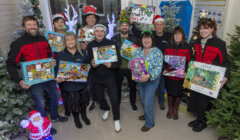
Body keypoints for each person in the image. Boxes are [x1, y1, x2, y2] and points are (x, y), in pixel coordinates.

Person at [6, 15, 68, 135]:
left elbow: (49, 53)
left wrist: (52, 61)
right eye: (29, 25)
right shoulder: (18, 44)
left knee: (55, 97)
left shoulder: (43, 39)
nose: (32, 27)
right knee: (40, 103)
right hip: (33, 80)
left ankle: (54, 116)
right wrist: (19, 80)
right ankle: (45, 125)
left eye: (34, 24)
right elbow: (10, 63)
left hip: (48, 76)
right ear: (24, 27)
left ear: (37, 26)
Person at [187, 18, 230, 132]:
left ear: (212, 29)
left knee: (204, 101)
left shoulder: (220, 44)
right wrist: (190, 69)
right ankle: (198, 118)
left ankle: (203, 122)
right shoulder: (196, 42)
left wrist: (226, 76)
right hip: (197, 75)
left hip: (210, 78)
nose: (203, 31)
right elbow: (193, 58)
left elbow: (225, 62)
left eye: (206, 28)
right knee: (195, 98)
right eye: (201, 28)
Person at [130, 15, 171, 110]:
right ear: (154, 26)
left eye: (161, 24)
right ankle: (148, 109)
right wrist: (132, 23)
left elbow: (177, 41)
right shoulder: (151, 35)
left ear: (164, 25)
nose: (159, 26)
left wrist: (167, 67)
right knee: (147, 93)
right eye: (157, 25)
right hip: (148, 65)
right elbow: (138, 33)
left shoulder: (169, 35)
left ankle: (161, 102)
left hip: (163, 65)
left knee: (161, 86)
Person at [87, 24, 122, 132]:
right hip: (96, 77)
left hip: (109, 76)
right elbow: (88, 60)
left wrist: (110, 65)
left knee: (114, 99)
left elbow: (118, 62)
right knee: (99, 97)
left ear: (105, 32)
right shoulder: (90, 45)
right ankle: (106, 109)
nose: (99, 33)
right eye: (97, 31)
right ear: (94, 33)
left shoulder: (112, 44)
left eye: (101, 31)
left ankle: (116, 119)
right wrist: (92, 64)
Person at [55, 32, 90, 129]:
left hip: (81, 85)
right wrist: (58, 78)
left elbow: (87, 66)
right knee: (73, 104)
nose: (70, 42)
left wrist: (88, 68)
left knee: (83, 103)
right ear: (65, 42)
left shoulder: (82, 53)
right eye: (67, 40)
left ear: (76, 40)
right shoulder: (60, 55)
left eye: (72, 39)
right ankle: (76, 118)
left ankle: (84, 116)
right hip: (68, 86)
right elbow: (57, 70)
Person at [131, 30, 163, 132]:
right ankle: (146, 114)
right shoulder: (137, 50)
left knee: (148, 101)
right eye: (144, 37)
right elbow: (131, 63)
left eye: (148, 37)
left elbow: (159, 68)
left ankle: (150, 123)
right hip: (140, 80)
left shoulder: (157, 51)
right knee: (143, 99)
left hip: (152, 81)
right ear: (141, 40)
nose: (146, 39)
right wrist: (132, 65)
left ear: (152, 40)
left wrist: (149, 75)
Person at [163, 26, 192, 120]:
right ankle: (170, 109)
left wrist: (186, 72)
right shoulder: (168, 46)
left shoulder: (187, 47)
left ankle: (175, 110)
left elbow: (189, 61)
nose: (177, 36)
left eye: (179, 34)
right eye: (175, 34)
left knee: (179, 93)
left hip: (181, 76)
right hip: (170, 75)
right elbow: (163, 60)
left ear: (182, 35)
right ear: (173, 36)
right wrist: (164, 69)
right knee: (170, 92)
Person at [111, 10, 138, 111]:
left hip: (130, 67)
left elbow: (138, 52)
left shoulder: (134, 39)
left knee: (132, 87)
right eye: (122, 25)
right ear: (119, 27)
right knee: (117, 87)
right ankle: (117, 103)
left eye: (126, 25)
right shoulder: (114, 39)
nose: (124, 27)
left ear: (129, 27)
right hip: (118, 67)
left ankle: (133, 103)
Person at [78, 5, 100, 111]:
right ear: (85, 19)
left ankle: (100, 99)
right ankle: (94, 100)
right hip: (87, 59)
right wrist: (82, 48)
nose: (91, 19)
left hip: (99, 59)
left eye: (93, 17)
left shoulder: (99, 29)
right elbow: (78, 47)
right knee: (90, 82)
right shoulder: (81, 31)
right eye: (89, 17)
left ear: (95, 19)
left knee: (99, 81)